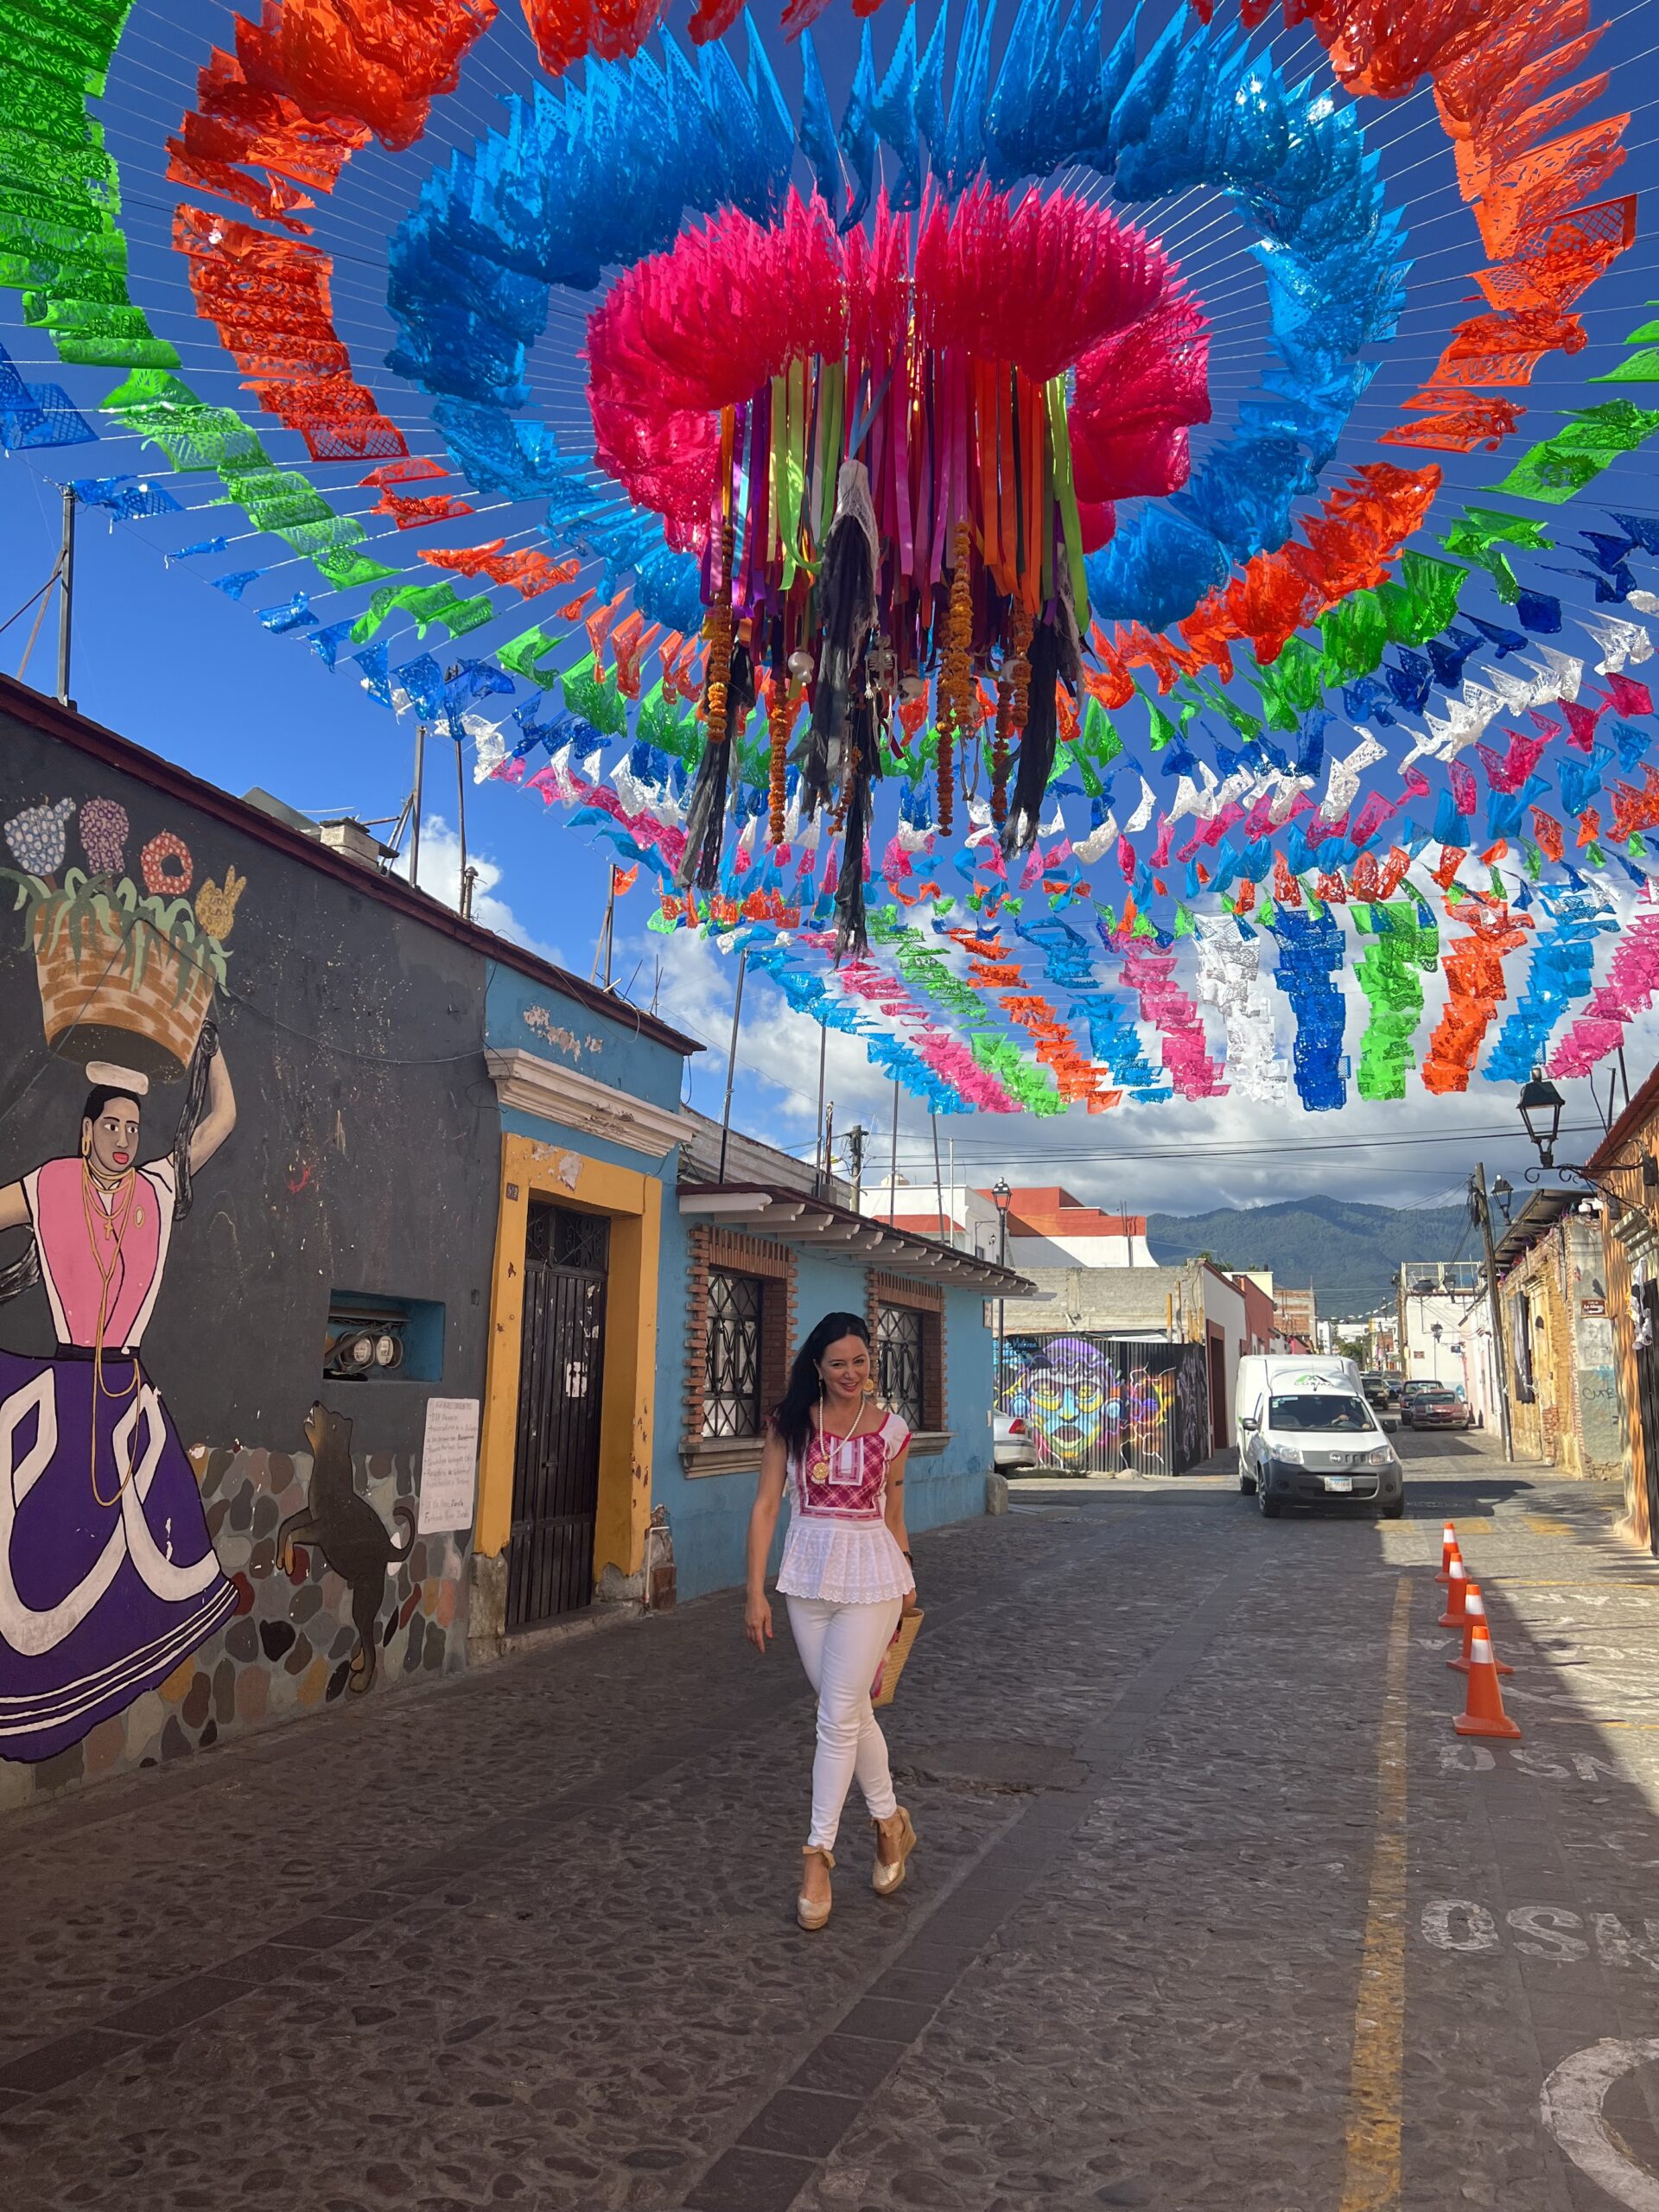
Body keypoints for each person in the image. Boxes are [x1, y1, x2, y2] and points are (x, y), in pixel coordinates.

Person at [0, 1040, 239, 1762]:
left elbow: (223, 1117)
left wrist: (211, 1039)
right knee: (43, 1560)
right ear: (85, 1131)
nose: (123, 1141)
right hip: (71, 1391)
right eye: (110, 1127)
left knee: (156, 1556)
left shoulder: (160, 1190)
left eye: (133, 1129)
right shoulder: (50, 1185)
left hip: (128, 1398)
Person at [745, 1311, 919, 1929]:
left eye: (861, 1361)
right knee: (848, 1710)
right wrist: (755, 1592)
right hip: (806, 1579)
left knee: (834, 1715)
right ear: (817, 1367)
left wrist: (906, 1579)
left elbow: (894, 1511)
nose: (852, 1373)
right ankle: (890, 1822)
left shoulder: (893, 1431)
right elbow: (767, 1507)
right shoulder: (789, 1425)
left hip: (872, 1577)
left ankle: (817, 1855)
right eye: (839, 1362)